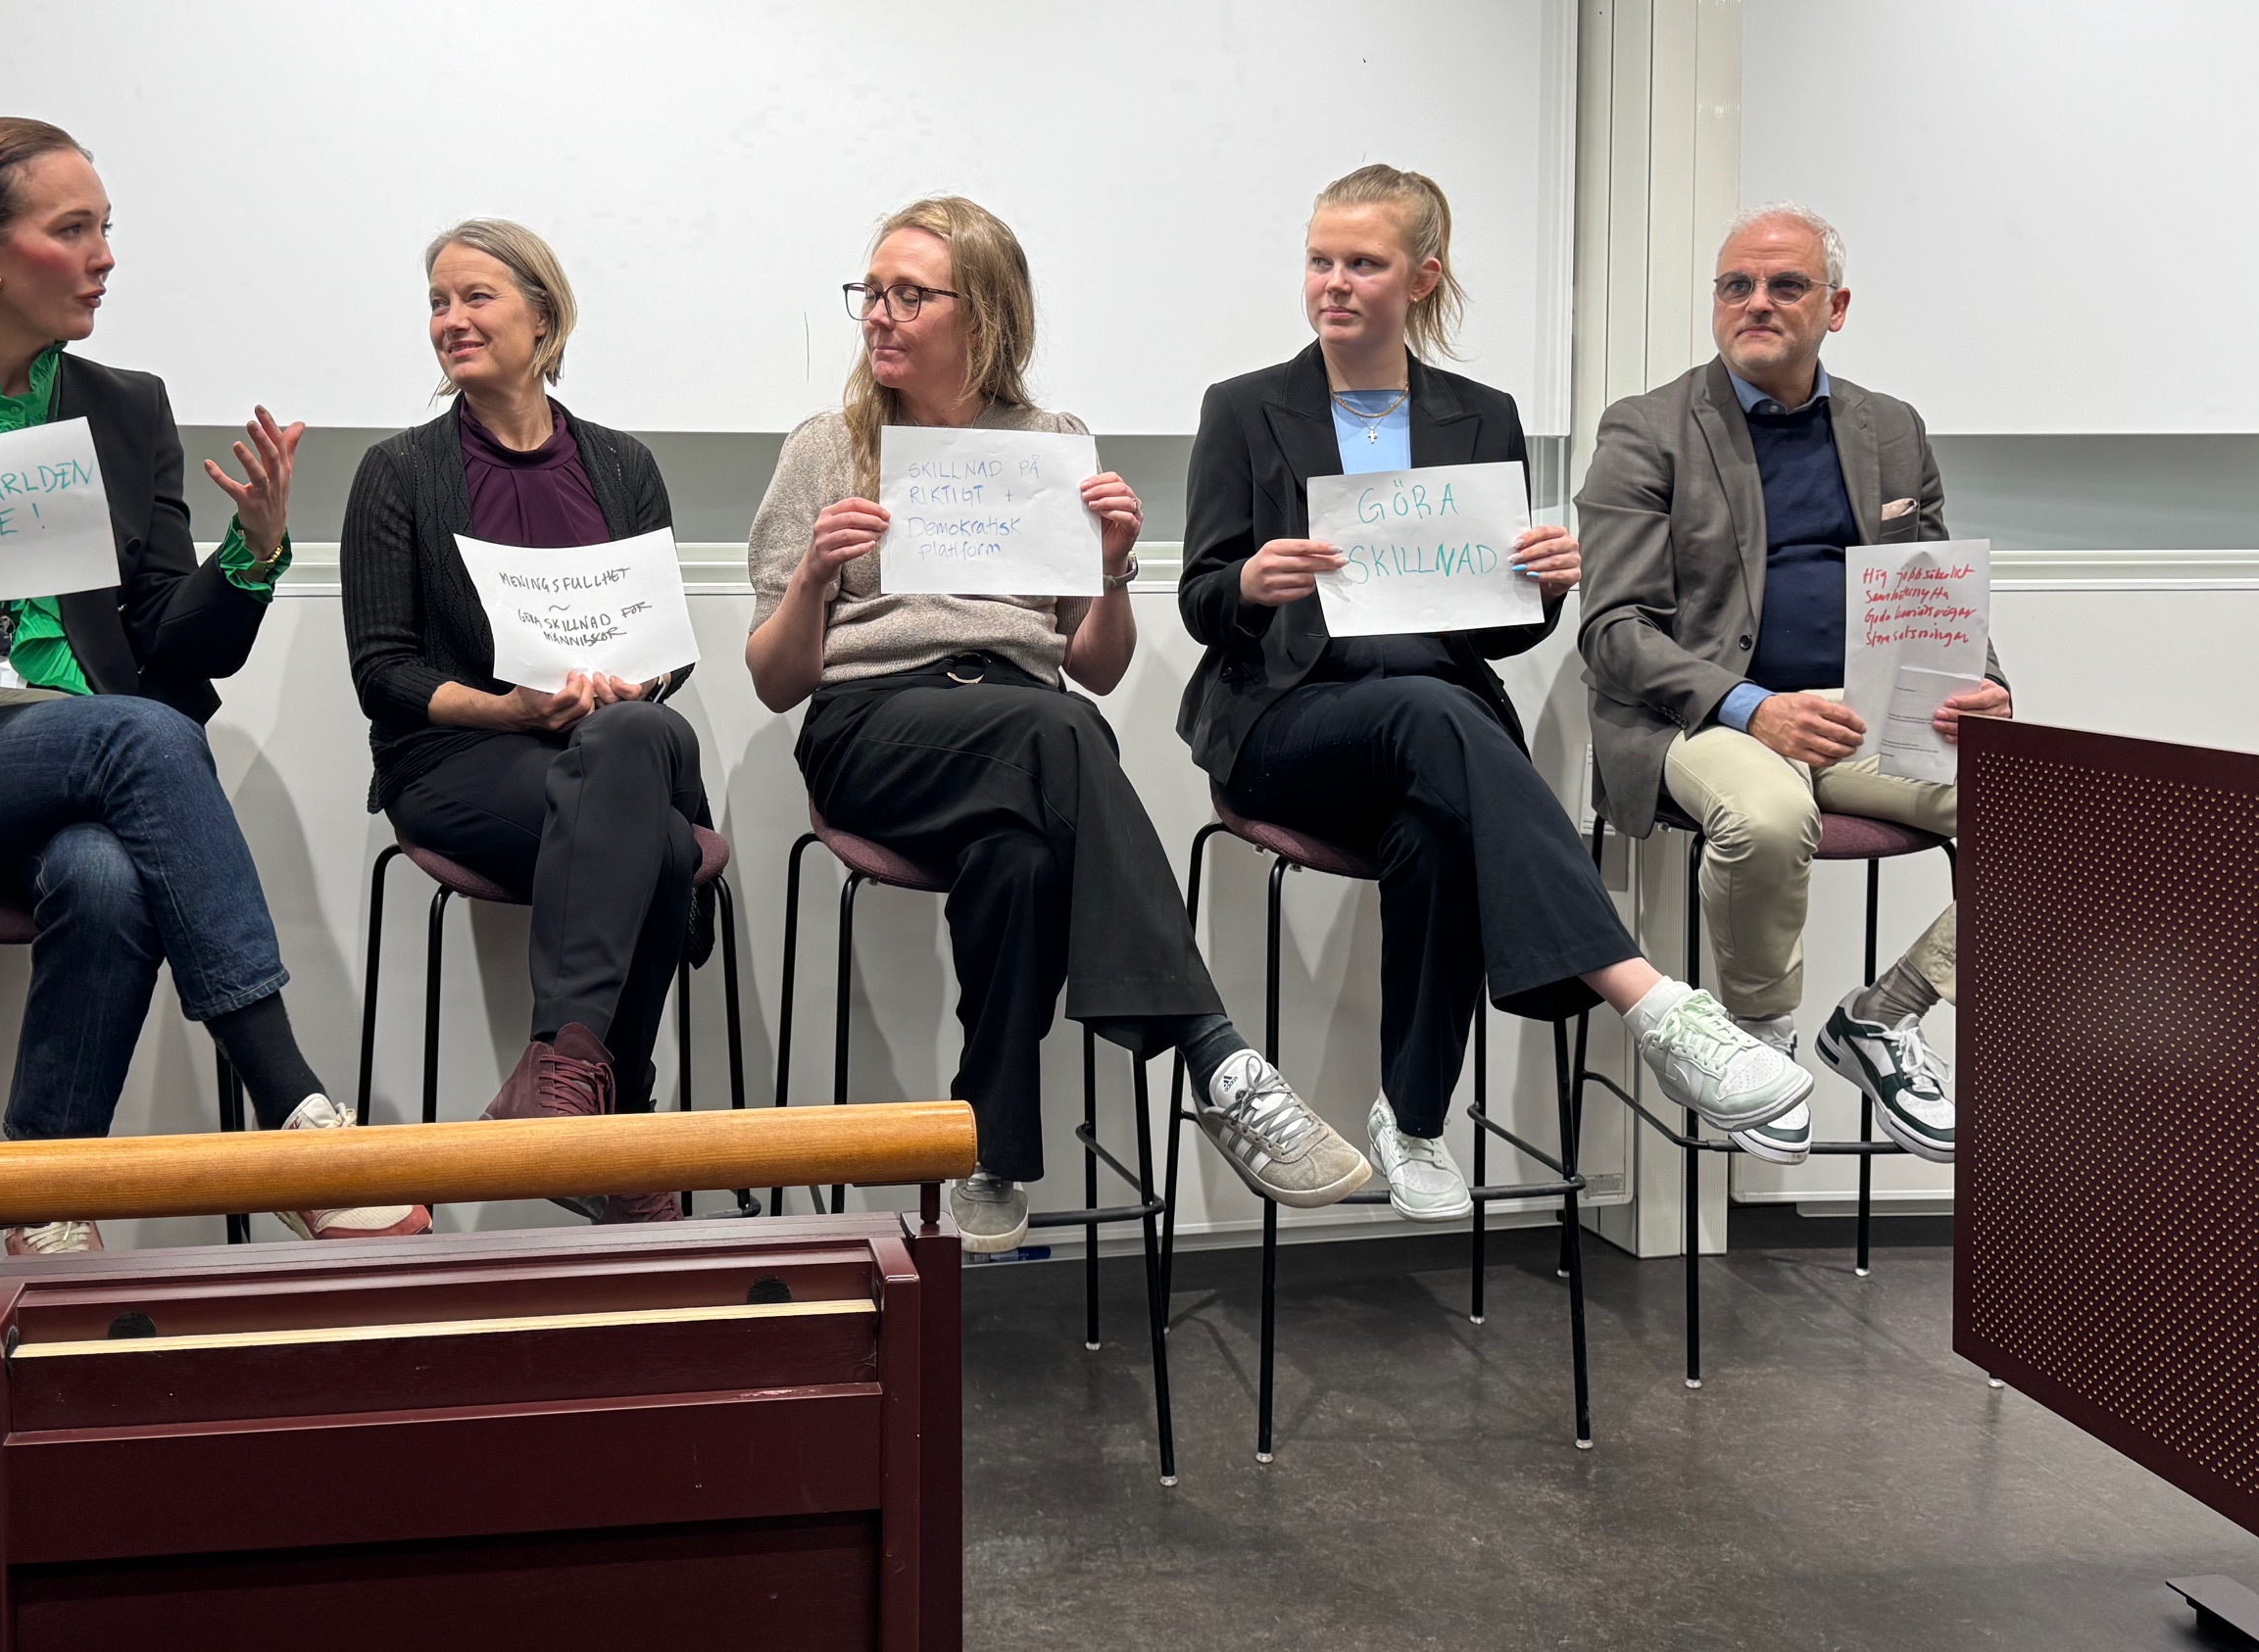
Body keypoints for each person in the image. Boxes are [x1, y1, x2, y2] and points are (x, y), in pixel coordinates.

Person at [0, 116, 422, 1253]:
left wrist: (249, 553)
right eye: (75, 230)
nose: (106, 256)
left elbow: (168, 639)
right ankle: (295, 1115)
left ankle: (48, 1198)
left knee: (107, 875)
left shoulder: (126, 407)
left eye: (108, 228)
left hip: (93, 758)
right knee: (147, 737)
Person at [1178, 166, 1815, 1221]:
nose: (1334, 284)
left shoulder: (1480, 415)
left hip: (1431, 719)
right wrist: (1249, 581)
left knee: (1438, 814)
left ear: (1422, 277)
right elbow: (1205, 599)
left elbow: (1495, 625)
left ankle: (1414, 1121)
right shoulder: (1246, 408)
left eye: (1363, 263)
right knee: (1446, 722)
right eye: (1320, 261)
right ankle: (1651, 1003)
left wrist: (1542, 585)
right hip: (1287, 721)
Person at [747, 195, 1369, 1256]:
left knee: (1025, 854)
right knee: (1064, 735)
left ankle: (989, 1149)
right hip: (875, 725)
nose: (879, 317)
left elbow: (1096, 663)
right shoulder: (830, 444)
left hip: (1027, 728)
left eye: (909, 295)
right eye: (871, 293)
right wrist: (811, 576)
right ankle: (1216, 1056)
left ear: (984, 313)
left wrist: (1116, 568)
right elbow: (774, 680)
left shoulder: (1054, 443)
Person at [1576, 204, 2003, 1165]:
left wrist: (1982, 685)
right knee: (1770, 817)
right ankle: (1758, 1041)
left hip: (1862, 719)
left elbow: (1938, 587)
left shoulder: (1890, 429)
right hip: (1705, 719)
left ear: (1836, 307)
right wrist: (1755, 707)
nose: (1756, 303)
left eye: (1785, 286)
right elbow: (1611, 633)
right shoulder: (1646, 430)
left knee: (2047, 806)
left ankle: (1883, 1020)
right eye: (1737, 286)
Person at [341, 220, 708, 1224]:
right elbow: (384, 672)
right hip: (460, 758)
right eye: (437, 303)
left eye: (476, 298)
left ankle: (561, 1078)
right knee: (666, 844)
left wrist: (632, 686)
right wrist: (509, 708)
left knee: (636, 740)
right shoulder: (399, 472)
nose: (451, 321)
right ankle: (617, 1123)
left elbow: (666, 644)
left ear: (544, 317)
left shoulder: (623, 467)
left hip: (603, 746)